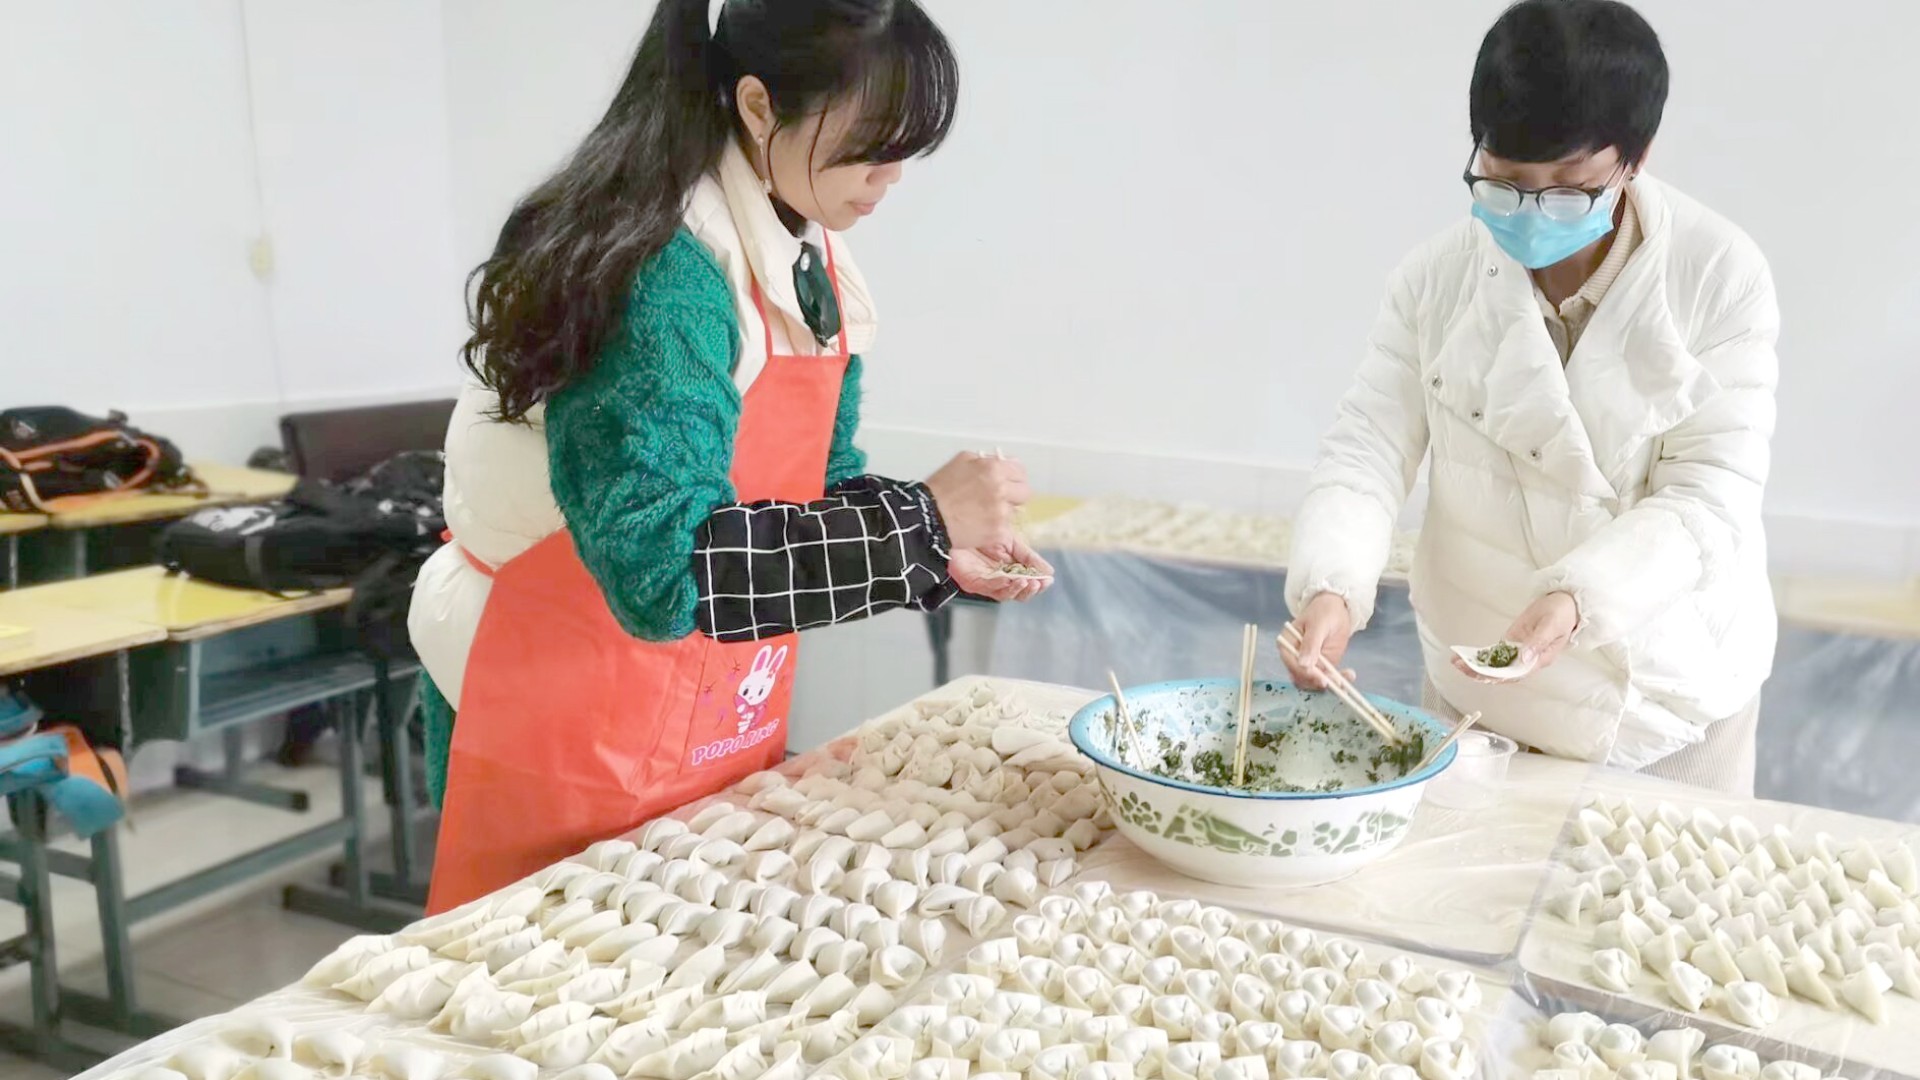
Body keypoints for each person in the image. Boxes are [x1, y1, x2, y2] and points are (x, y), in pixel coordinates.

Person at [409, 0, 1051, 911]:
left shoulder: (804, 252)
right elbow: (660, 567)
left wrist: (929, 552)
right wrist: (917, 519)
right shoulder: (665, 268)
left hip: (692, 699)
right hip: (560, 693)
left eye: (909, 147)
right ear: (758, 108)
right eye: (874, 141)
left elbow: (808, 486)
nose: (894, 175)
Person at [1282, 0, 1778, 794]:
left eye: (1569, 189)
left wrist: (1578, 600)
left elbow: (1709, 497)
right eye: (1507, 185)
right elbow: (1368, 449)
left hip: (1665, 697)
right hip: (1479, 691)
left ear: (1634, 158)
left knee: (1657, 908)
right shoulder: (1434, 279)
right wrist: (1333, 585)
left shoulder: (1718, 276)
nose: (1531, 214)